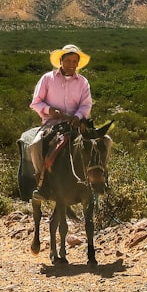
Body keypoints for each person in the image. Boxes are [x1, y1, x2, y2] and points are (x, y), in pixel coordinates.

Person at [28, 43, 93, 197]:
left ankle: (99, 180)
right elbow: (36, 102)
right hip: (52, 123)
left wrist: (77, 117)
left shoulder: (83, 82)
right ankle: (41, 181)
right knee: (35, 144)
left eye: (74, 62)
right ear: (61, 61)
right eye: (68, 61)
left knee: (101, 142)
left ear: (78, 63)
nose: (71, 65)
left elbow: (86, 105)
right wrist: (49, 110)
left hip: (75, 124)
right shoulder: (47, 79)